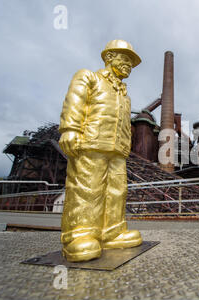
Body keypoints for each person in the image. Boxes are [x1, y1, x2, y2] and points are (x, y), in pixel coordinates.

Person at [58, 40, 142, 262]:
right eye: (125, 59)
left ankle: (112, 232)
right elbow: (75, 101)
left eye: (131, 63)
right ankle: (78, 235)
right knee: (87, 188)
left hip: (117, 150)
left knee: (117, 190)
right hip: (91, 143)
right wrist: (70, 128)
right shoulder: (89, 77)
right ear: (109, 57)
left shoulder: (124, 94)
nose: (129, 66)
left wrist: (126, 148)